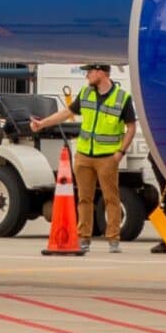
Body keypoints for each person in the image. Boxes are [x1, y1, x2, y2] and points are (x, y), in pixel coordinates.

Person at [25, 63, 137, 253]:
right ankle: (84, 237)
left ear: (101, 73)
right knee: (85, 199)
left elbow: (131, 127)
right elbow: (66, 113)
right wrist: (42, 124)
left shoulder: (122, 98)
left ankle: (113, 239)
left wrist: (119, 153)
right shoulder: (86, 94)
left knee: (112, 199)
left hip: (107, 157)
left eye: (90, 72)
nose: (87, 76)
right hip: (84, 156)